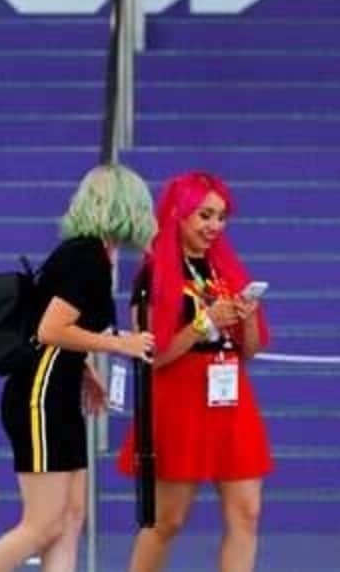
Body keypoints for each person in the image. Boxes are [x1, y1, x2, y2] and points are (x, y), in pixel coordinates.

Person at [0, 163, 158, 572]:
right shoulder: (86, 256)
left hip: (57, 393)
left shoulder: (92, 254)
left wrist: (86, 371)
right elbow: (51, 329)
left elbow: (66, 329)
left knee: (70, 518)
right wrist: (119, 344)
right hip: (38, 396)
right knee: (41, 524)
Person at [119, 170, 271, 572]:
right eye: (205, 215)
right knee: (167, 520)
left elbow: (250, 350)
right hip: (179, 400)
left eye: (221, 217)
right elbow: (152, 353)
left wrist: (248, 317)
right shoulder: (154, 276)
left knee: (248, 513)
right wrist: (204, 323)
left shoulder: (224, 271)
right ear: (178, 214)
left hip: (230, 397)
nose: (214, 226)